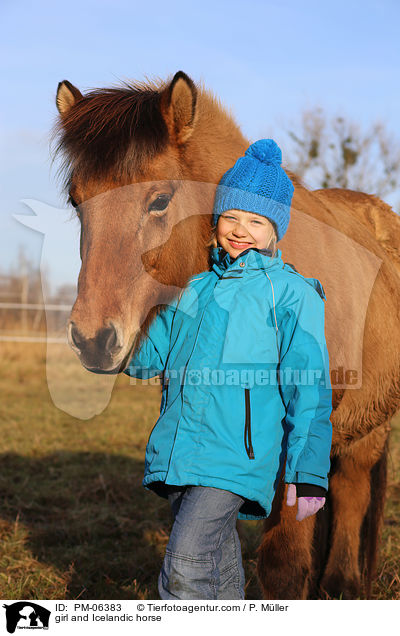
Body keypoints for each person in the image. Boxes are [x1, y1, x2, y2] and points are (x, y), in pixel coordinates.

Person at [124, 139, 333, 600]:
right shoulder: (191, 287)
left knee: (185, 565)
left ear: (276, 230)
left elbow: (309, 388)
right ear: (216, 220)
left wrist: (308, 469)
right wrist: (115, 336)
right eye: (231, 217)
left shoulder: (291, 293)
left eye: (257, 221)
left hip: (237, 459)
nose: (241, 230)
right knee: (217, 568)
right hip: (181, 450)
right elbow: (146, 359)